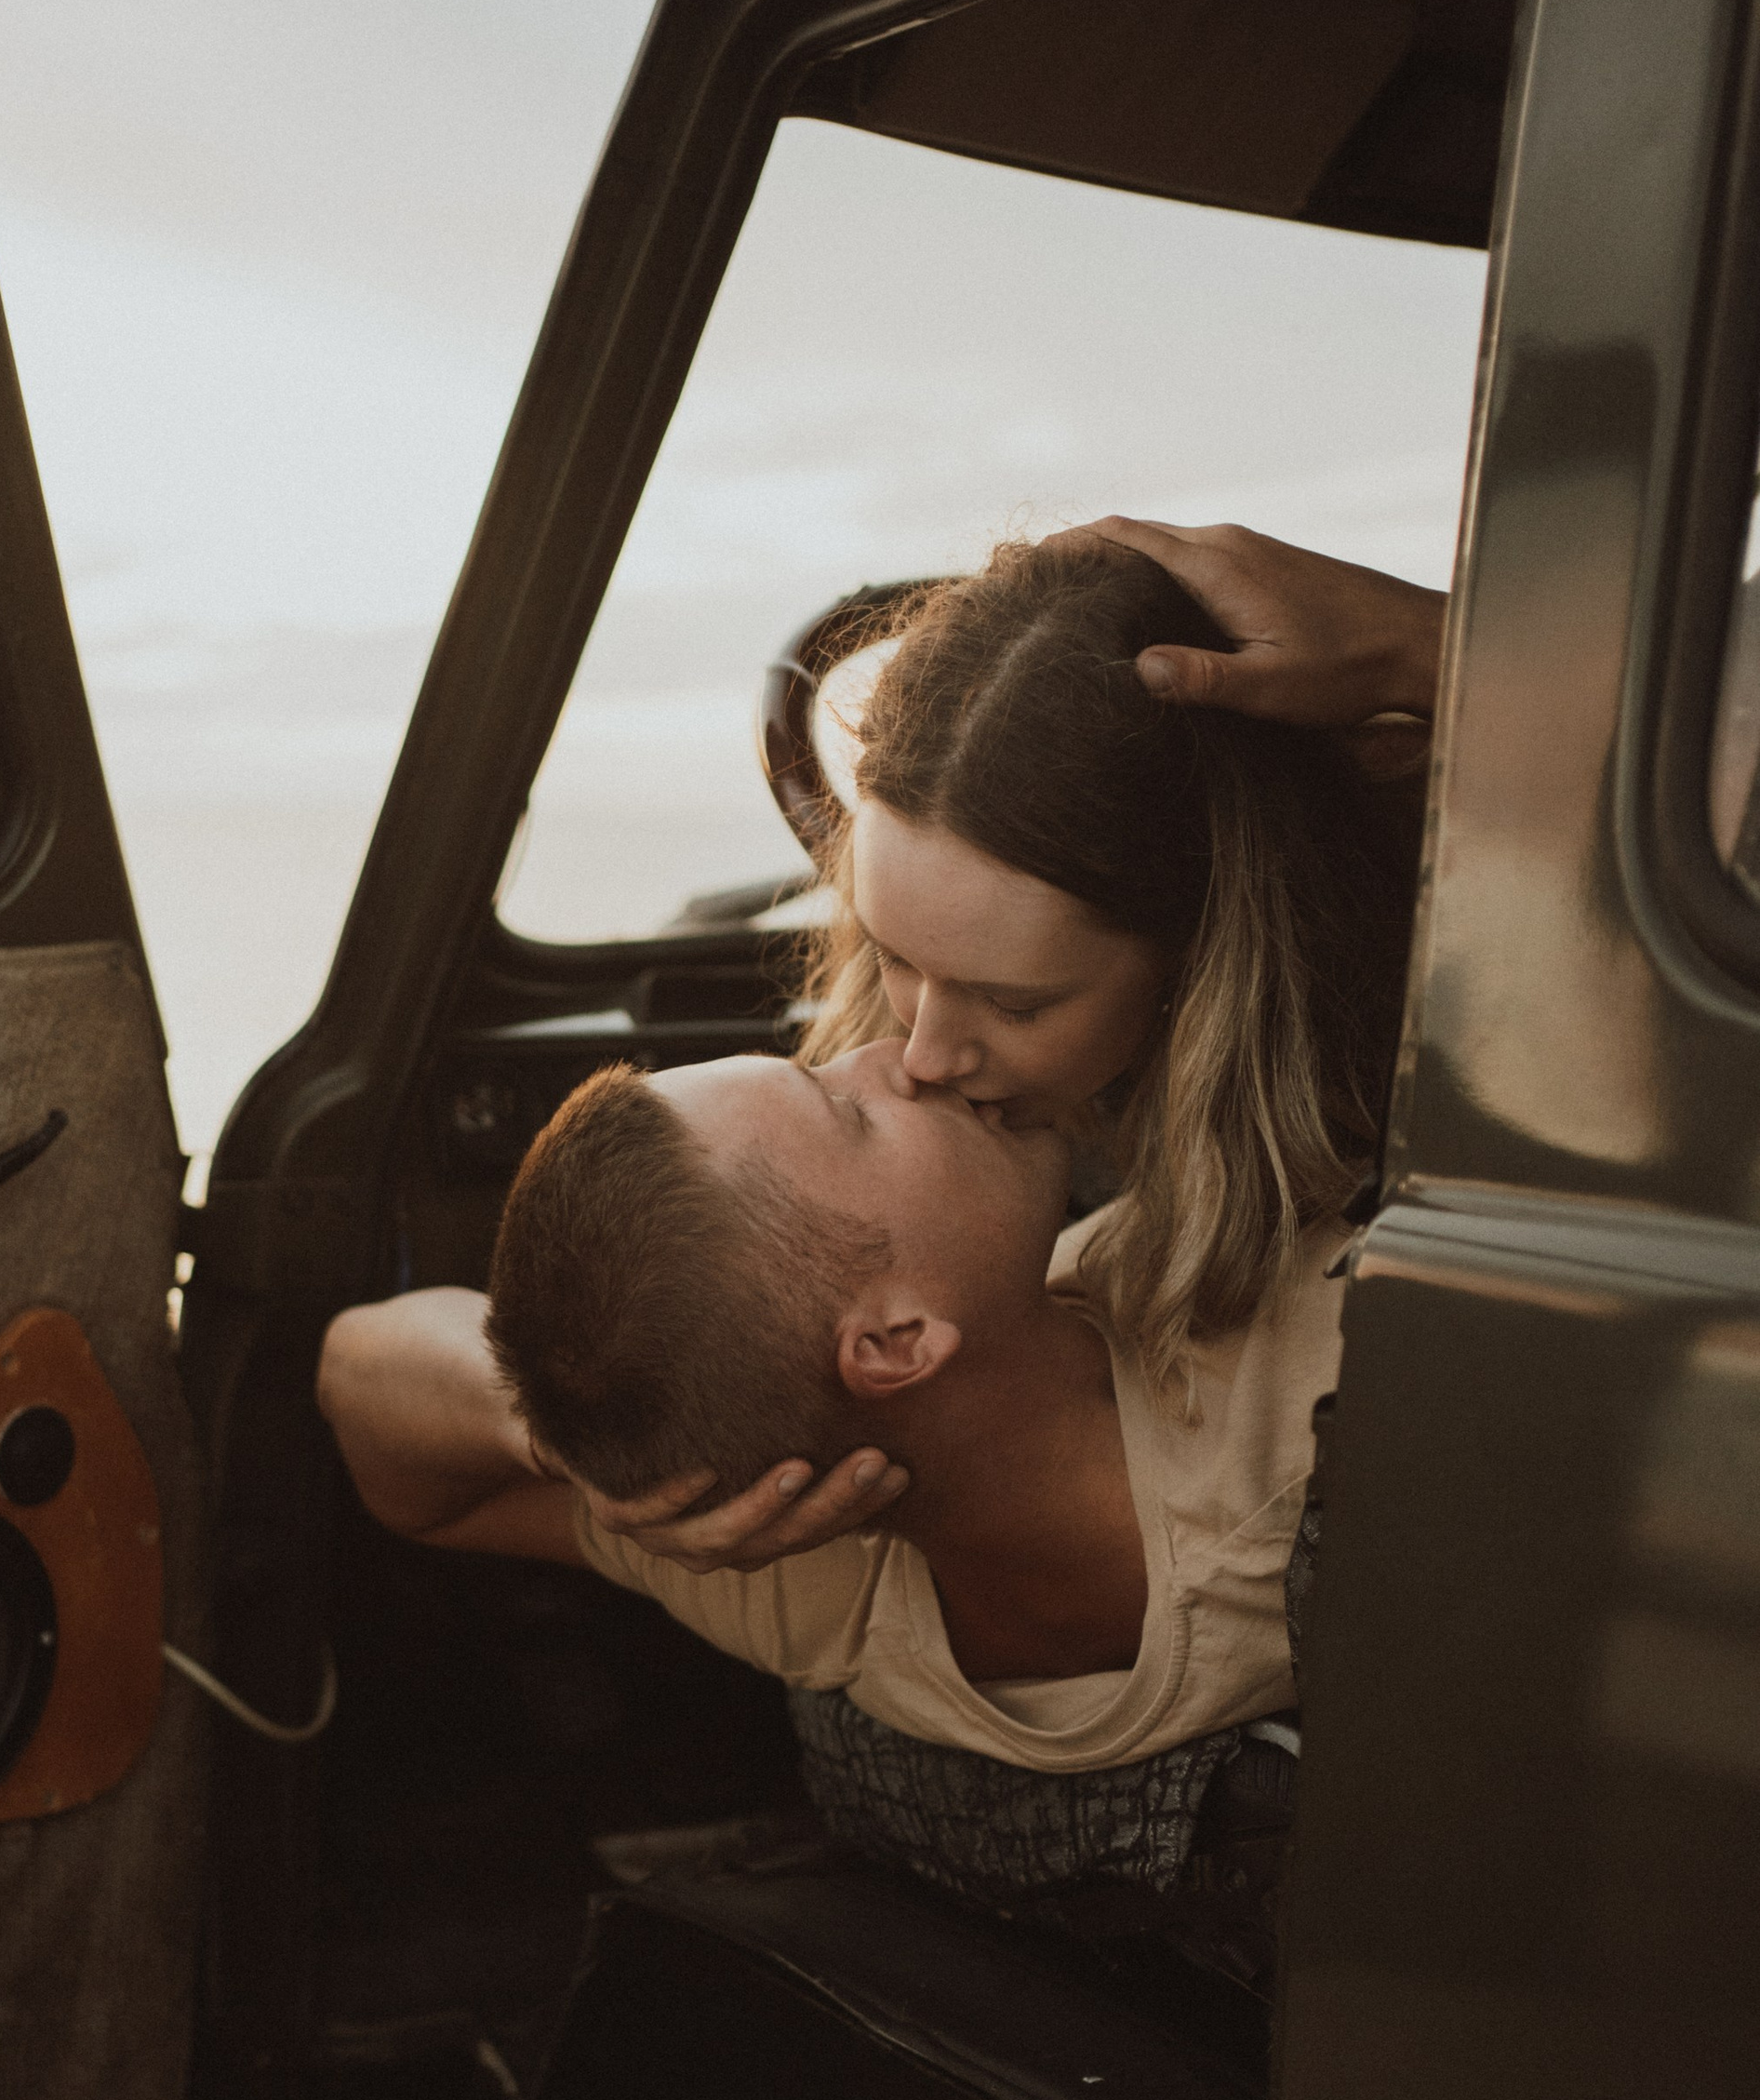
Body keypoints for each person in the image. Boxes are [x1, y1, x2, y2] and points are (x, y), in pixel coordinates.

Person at [317, 1032, 1343, 1921]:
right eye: (847, 1108)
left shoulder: (794, 1562)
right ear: (894, 1342)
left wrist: (559, 1442)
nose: (902, 1052)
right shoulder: (1313, 1409)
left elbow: (361, 1391)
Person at [579, 517, 1435, 1578]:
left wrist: (1424, 644)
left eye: (1014, 1005)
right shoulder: (916, 1104)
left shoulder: (1388, 1184)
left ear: (1205, 957)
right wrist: (597, 1453)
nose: (922, 1054)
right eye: (893, 953)